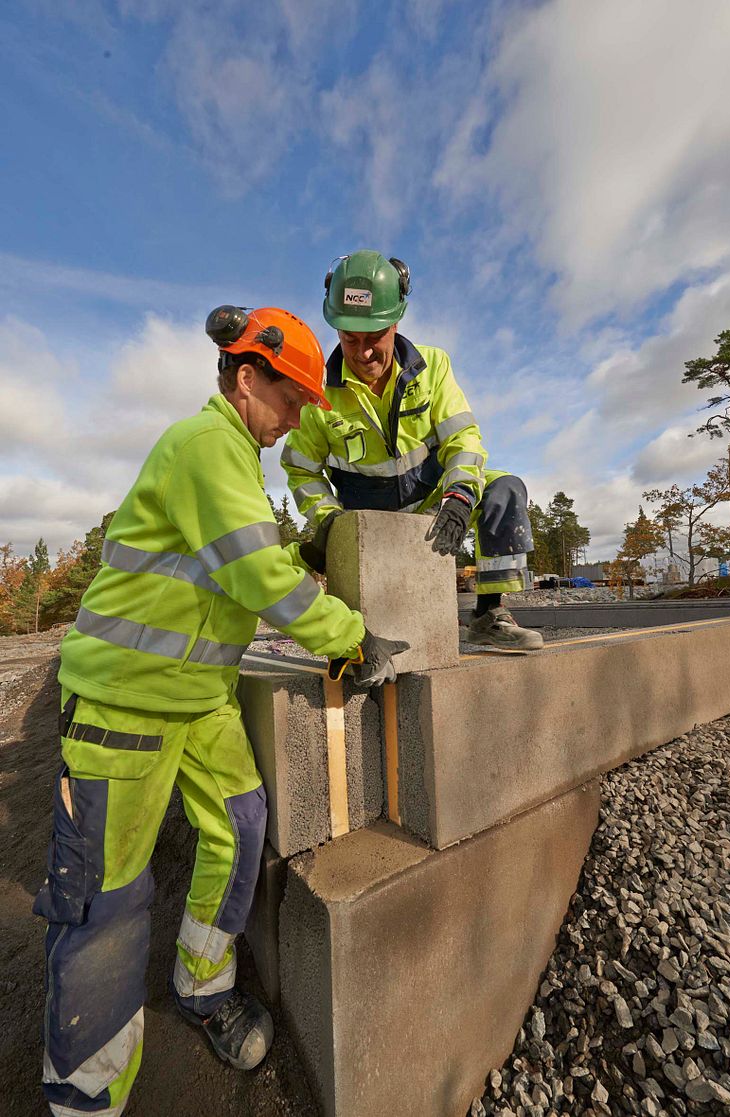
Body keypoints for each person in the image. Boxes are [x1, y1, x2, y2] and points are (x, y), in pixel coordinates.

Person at [34, 304, 407, 1117]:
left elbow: (248, 565)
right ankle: (84, 1091)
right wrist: (349, 637)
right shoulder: (206, 445)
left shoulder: (237, 459)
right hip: (122, 701)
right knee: (108, 897)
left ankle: (203, 986)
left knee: (239, 821)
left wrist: (297, 553)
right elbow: (257, 578)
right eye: (295, 397)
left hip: (197, 698)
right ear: (247, 379)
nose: (303, 415)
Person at [281, 251, 543, 652]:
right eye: (351, 339)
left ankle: (489, 614)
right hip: (367, 519)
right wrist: (331, 522)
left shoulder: (432, 367)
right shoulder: (319, 394)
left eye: (374, 338)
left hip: (432, 502)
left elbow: (464, 441)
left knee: (504, 489)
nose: (363, 353)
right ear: (335, 329)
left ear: (395, 322)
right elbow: (301, 470)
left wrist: (459, 497)